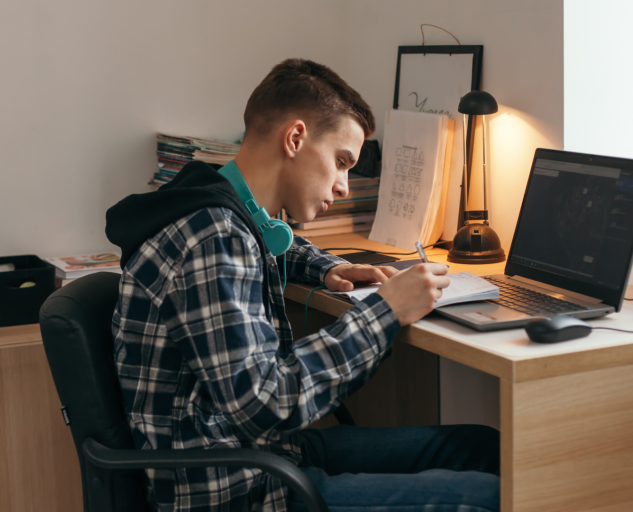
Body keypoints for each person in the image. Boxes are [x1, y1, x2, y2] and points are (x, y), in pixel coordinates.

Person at [105, 58, 500, 512]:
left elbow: (271, 239)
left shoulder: (208, 203)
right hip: (238, 490)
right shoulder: (214, 240)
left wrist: (326, 267)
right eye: (341, 162)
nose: (344, 186)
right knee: (491, 497)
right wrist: (386, 311)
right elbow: (265, 402)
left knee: (481, 447)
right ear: (295, 138)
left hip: (256, 455)